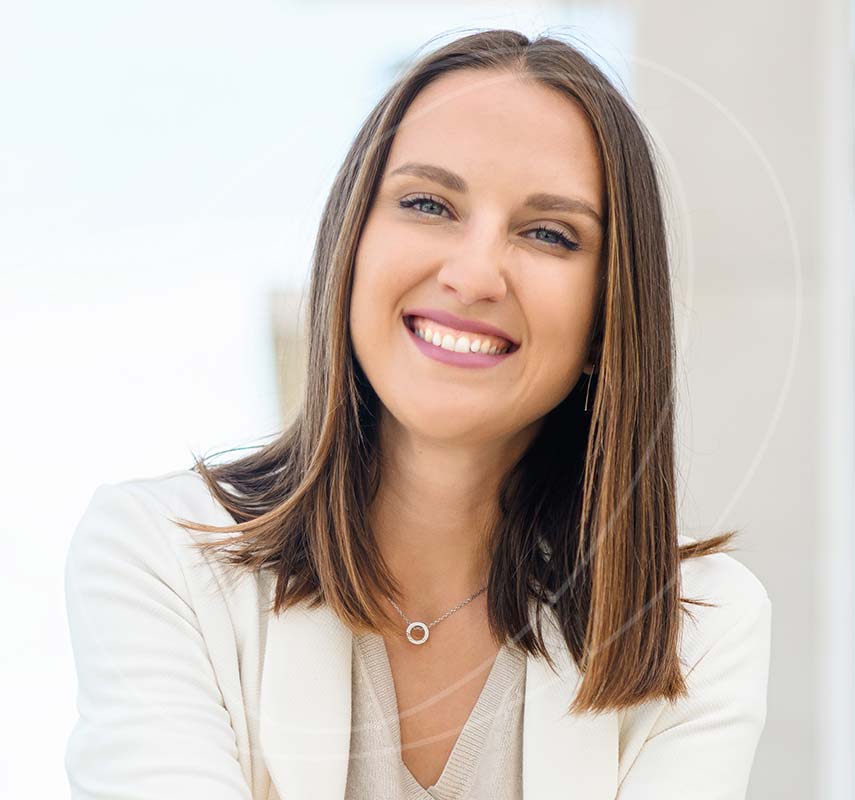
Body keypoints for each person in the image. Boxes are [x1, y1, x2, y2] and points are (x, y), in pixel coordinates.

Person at [64, 28, 772, 800]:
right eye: (428, 203)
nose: (471, 274)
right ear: (351, 247)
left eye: (547, 233)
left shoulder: (701, 627)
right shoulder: (156, 557)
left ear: (607, 319)